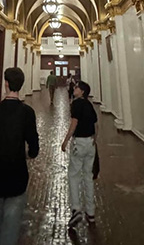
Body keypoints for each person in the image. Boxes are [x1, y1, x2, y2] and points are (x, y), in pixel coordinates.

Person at [0, 67, 39, 245]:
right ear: (20, 85)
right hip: (17, 175)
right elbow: (34, 149)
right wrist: (23, 155)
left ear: (6, 84)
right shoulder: (28, 113)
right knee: (11, 228)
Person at [61, 81, 98, 228]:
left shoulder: (76, 104)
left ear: (82, 91)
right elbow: (96, 125)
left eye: (76, 88)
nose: (74, 89)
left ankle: (76, 208)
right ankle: (91, 212)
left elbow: (74, 124)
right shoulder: (89, 105)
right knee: (88, 177)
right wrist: (94, 140)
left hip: (79, 144)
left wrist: (65, 141)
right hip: (90, 144)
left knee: (74, 175)